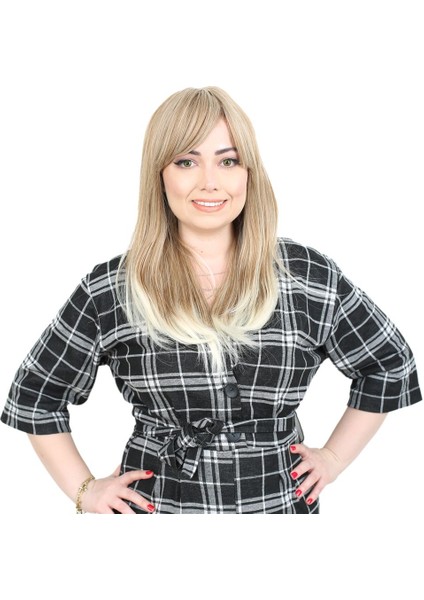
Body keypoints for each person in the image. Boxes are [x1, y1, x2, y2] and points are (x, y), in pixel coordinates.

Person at [2, 87, 421, 514]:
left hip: (279, 509)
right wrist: (85, 490)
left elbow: (389, 364)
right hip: (158, 512)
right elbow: (36, 394)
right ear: (159, 174)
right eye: (186, 162)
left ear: (248, 173)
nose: (209, 182)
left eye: (228, 161)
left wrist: (333, 459)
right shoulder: (112, 288)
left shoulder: (307, 276)